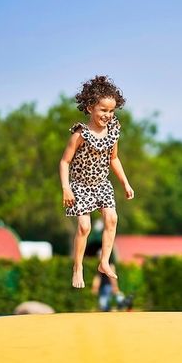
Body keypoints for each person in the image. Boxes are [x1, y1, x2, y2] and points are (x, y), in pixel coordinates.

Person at [59, 75, 134, 288]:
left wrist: (125, 183)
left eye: (111, 111)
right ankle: (78, 267)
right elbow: (64, 162)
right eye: (103, 110)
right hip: (80, 185)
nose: (108, 115)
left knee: (112, 219)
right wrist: (66, 188)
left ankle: (104, 262)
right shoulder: (80, 134)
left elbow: (114, 159)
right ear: (91, 107)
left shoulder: (113, 133)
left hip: (101, 184)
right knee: (84, 226)